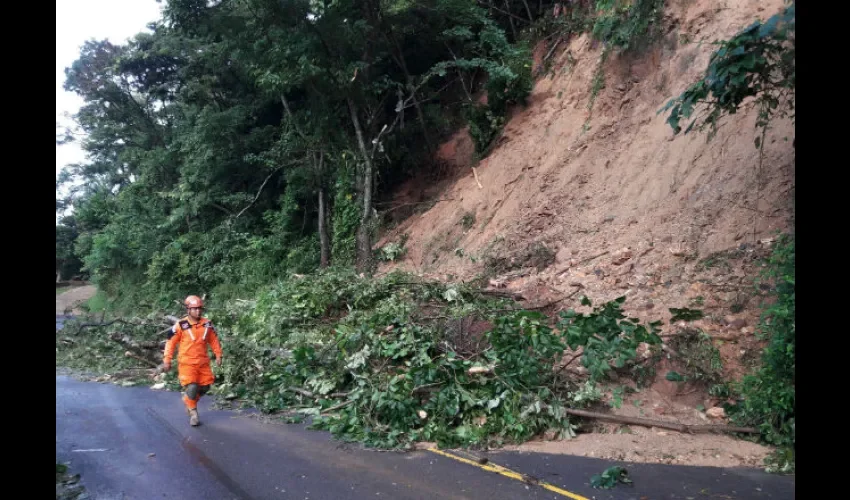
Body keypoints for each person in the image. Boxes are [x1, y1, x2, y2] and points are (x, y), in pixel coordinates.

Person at [163, 295, 223, 426]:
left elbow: (213, 340)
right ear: (188, 310)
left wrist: (218, 355)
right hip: (187, 363)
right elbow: (170, 343)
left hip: (203, 363)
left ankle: (188, 400)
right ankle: (194, 413)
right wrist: (167, 360)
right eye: (194, 309)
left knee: (205, 387)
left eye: (199, 309)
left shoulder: (207, 324)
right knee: (193, 386)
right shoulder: (180, 325)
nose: (198, 311)